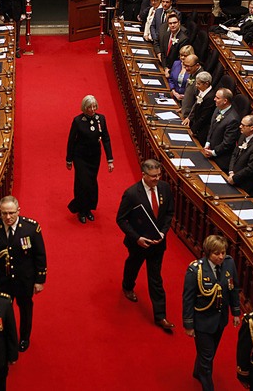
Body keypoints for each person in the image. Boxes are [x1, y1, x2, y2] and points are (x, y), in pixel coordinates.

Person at [117, 159, 175, 332]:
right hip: (138, 244)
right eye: (153, 176)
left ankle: (160, 316)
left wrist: (163, 233)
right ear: (144, 175)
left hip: (158, 244)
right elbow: (121, 219)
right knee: (133, 265)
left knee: (156, 278)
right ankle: (127, 286)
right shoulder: (132, 194)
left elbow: (169, 213)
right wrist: (137, 238)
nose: (157, 179)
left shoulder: (164, 188)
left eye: (159, 175)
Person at [0, 196, 47, 352]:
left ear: (18, 211)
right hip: (2, 281)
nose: (8, 217)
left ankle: (24, 337)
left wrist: (39, 280)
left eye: (11, 213)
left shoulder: (30, 228)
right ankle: (4, 338)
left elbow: (40, 255)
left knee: (25, 310)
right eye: (4, 213)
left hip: (24, 280)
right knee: (1, 312)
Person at [183, 235, 241, 391]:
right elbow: (188, 299)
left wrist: (236, 312)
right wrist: (188, 324)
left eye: (223, 252)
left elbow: (234, 289)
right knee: (207, 357)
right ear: (208, 253)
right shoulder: (195, 270)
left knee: (209, 352)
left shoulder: (229, 263)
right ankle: (207, 383)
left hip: (220, 320)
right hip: (202, 321)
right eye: (217, 253)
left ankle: (198, 371)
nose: (221, 257)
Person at [66, 95, 114, 224]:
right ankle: (80, 209)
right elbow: (71, 141)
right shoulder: (78, 121)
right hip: (80, 156)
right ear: (84, 108)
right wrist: (69, 159)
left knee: (92, 183)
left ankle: (88, 209)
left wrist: (110, 159)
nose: (92, 109)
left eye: (94, 106)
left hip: (94, 157)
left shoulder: (101, 119)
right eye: (89, 107)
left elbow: (106, 139)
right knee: (82, 183)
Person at [226, 114, 253, 196]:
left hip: (245, 184)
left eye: (243, 125)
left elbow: (251, 169)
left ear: (252, 128)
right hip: (233, 176)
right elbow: (234, 154)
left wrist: (235, 178)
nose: (240, 127)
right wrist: (231, 172)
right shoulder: (243, 135)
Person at [202, 88, 240, 173]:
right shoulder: (218, 109)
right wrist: (207, 143)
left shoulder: (233, 119)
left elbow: (228, 143)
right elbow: (211, 129)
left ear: (225, 101)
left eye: (217, 98)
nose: (214, 99)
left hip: (220, 159)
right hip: (209, 151)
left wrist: (214, 152)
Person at [184, 71, 215, 144]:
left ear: (206, 84)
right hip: (195, 123)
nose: (196, 86)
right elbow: (195, 106)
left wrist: (193, 129)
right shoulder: (201, 90)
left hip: (201, 130)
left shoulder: (210, 97)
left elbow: (204, 117)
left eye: (198, 84)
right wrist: (189, 117)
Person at [154, 12, 189, 77]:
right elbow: (163, 53)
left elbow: (179, 59)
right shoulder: (166, 35)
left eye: (175, 23)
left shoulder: (184, 39)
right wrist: (165, 67)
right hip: (164, 67)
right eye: (170, 23)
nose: (172, 25)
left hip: (174, 70)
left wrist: (169, 70)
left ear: (179, 23)